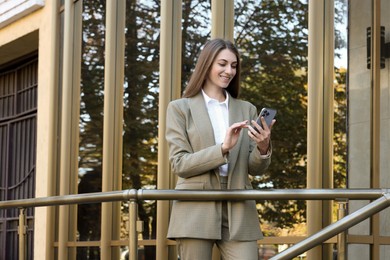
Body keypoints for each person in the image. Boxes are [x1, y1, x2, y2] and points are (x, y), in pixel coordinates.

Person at [165, 38, 275, 260]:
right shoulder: (180, 108)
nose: (229, 71)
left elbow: (255, 169)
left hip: (238, 204)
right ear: (207, 64)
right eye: (222, 64)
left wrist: (263, 147)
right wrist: (223, 149)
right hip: (195, 207)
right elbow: (180, 164)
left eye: (234, 66)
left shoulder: (247, 109)